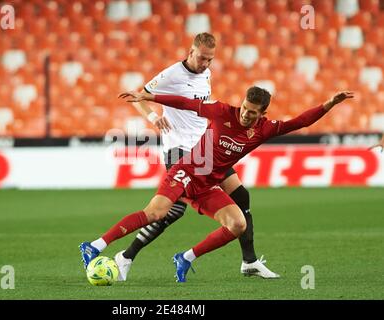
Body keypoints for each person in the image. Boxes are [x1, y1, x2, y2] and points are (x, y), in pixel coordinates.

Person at [80, 86, 354, 282]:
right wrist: (149, 97)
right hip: (186, 171)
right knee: (157, 212)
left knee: (238, 224)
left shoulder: (265, 129)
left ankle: (185, 258)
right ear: (242, 102)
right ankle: (96, 245)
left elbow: (300, 122)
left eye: (253, 113)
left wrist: (329, 103)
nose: (246, 115)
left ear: (263, 113)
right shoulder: (222, 111)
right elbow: (185, 103)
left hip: (209, 185)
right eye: (245, 108)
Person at [113, 32, 279, 281]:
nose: (205, 64)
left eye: (210, 60)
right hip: (179, 148)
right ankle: (126, 256)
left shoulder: (206, 74)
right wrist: (153, 117)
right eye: (202, 58)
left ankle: (249, 261)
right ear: (190, 52)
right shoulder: (171, 75)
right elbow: (140, 96)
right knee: (173, 210)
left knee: (241, 195)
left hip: (205, 148)